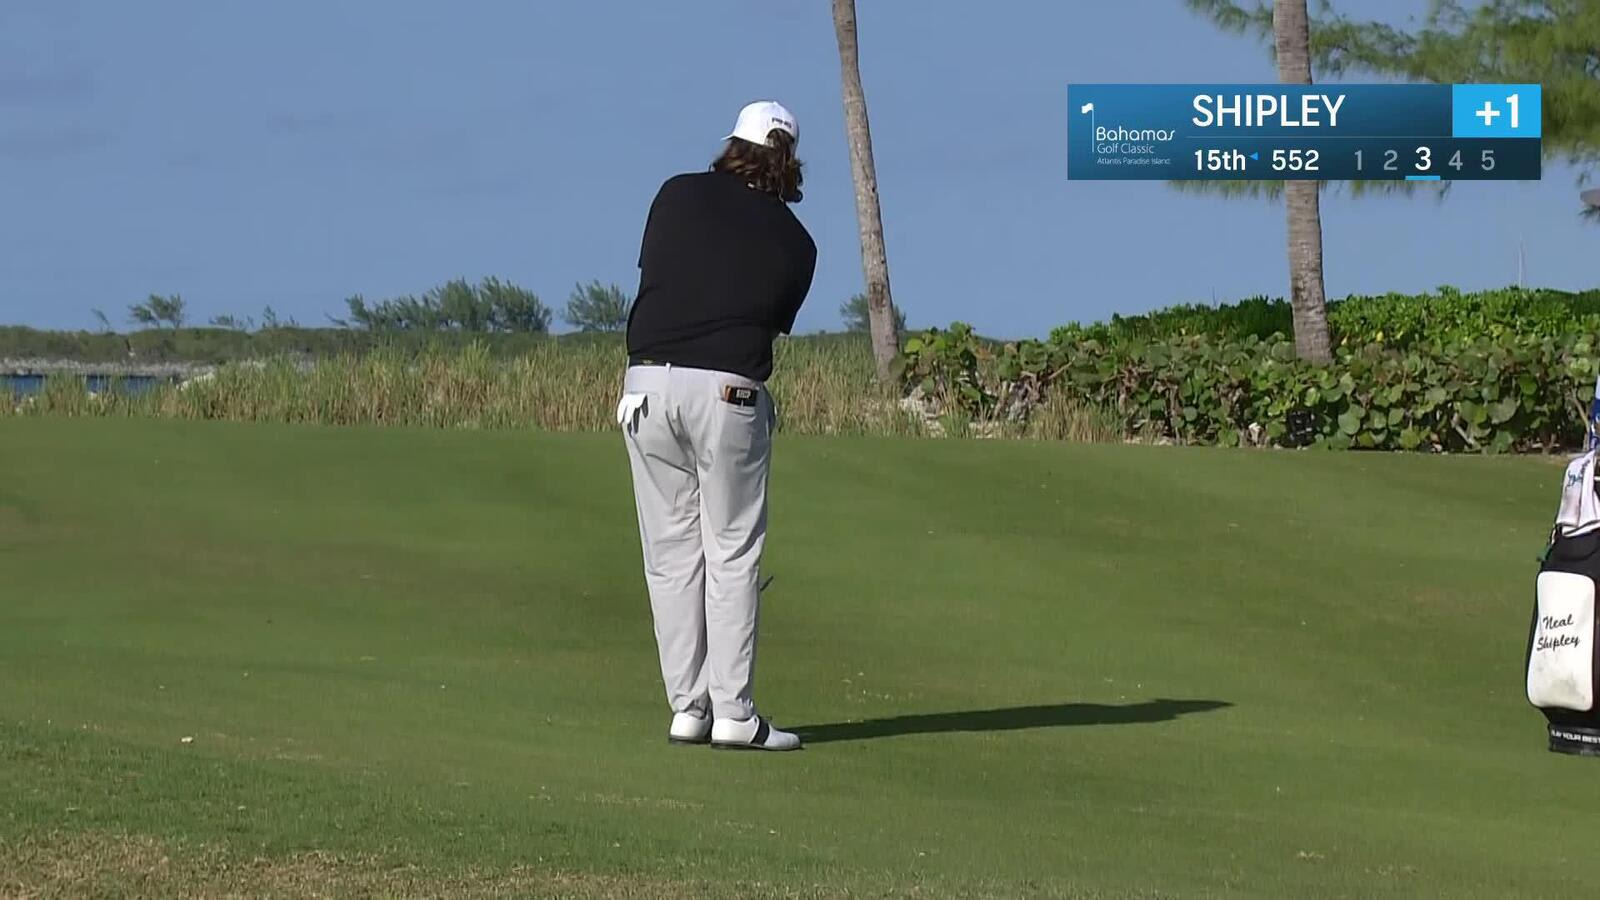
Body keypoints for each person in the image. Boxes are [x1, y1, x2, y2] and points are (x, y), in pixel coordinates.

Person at [616, 100, 816, 751]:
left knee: (671, 554)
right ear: (786, 160)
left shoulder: (674, 194)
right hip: (728, 391)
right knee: (729, 550)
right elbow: (763, 317)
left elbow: (661, 279)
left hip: (645, 386)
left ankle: (688, 707)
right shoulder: (797, 242)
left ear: (733, 143)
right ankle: (733, 712)